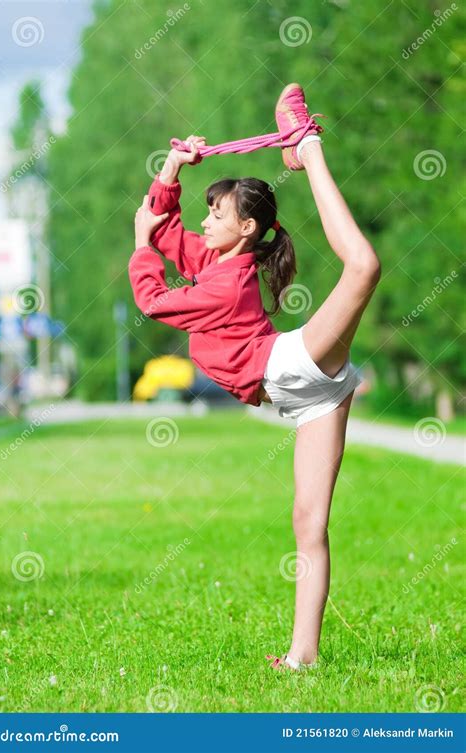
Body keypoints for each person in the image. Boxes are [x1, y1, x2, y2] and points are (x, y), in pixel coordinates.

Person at [129, 84, 381, 673]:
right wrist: (172, 166)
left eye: (215, 214)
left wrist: (141, 245)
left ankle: (308, 147)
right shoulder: (216, 260)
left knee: (364, 266)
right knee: (308, 521)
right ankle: (303, 658)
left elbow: (153, 298)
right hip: (305, 401)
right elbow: (168, 228)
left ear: (245, 230)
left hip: (290, 366)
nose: (204, 219)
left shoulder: (223, 281)